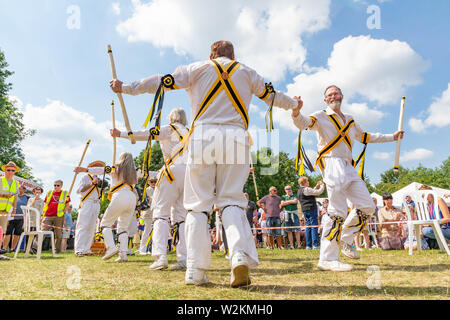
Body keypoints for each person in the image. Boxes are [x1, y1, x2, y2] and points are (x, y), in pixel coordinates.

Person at [110, 40, 299, 287]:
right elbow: (274, 96)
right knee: (231, 200)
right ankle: (239, 254)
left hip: (202, 137)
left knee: (197, 206)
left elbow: (159, 81)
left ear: (211, 54)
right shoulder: (247, 71)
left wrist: (126, 87)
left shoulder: (196, 68)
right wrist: (295, 105)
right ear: (234, 55)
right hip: (236, 137)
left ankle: (195, 269)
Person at [291, 85, 404, 271]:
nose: (333, 96)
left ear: (341, 96)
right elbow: (303, 123)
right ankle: (327, 258)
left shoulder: (350, 120)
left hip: (348, 165)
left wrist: (391, 137)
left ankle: (345, 239)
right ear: (325, 100)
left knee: (368, 205)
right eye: (329, 95)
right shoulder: (320, 115)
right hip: (331, 162)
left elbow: (366, 136)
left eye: (336, 93)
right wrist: (296, 111)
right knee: (337, 210)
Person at [111, 108, 189, 271]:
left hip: (171, 172)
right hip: (189, 173)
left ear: (172, 118)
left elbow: (147, 133)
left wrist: (122, 134)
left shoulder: (170, 129)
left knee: (160, 214)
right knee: (181, 216)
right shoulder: (190, 132)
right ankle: (183, 258)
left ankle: (160, 256)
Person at [74, 152, 137, 262]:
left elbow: (102, 170)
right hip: (132, 198)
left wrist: (84, 169)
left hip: (119, 196)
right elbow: (150, 174)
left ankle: (111, 247)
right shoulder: (134, 172)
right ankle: (123, 254)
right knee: (123, 227)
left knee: (105, 224)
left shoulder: (115, 168)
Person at [74, 160, 105, 257]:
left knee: (91, 227)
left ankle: (87, 249)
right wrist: (91, 184)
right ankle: (79, 249)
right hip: (87, 202)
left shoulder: (100, 180)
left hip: (96, 203)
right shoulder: (85, 177)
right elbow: (79, 190)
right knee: (83, 226)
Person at [41, 179, 71, 253]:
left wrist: (65, 211)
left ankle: (57, 250)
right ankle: (35, 248)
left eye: (58, 185)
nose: (56, 187)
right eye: (55, 185)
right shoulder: (49, 192)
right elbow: (45, 204)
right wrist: (42, 214)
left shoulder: (65, 193)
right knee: (42, 231)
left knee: (58, 235)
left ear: (61, 186)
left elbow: (67, 204)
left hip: (59, 216)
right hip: (48, 215)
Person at [297, 177, 324, 250]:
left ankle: (308, 245)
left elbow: (312, 191)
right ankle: (315, 244)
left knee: (308, 227)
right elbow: (319, 192)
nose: (308, 182)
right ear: (305, 182)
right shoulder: (306, 189)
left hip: (305, 210)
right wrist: (322, 185)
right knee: (314, 226)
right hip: (311, 209)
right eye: (307, 181)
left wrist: (316, 186)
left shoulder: (300, 190)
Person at [0, 161, 20, 253]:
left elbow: (15, 197)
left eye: (12, 170)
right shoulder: (0, 180)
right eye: (8, 170)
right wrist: (3, 195)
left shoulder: (16, 183)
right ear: (4, 170)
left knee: (2, 231)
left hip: (6, 210)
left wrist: (14, 209)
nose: (10, 172)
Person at [3, 185, 29, 252]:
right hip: (11, 217)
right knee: (7, 233)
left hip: (20, 218)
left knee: (17, 234)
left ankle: (13, 248)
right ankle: (4, 248)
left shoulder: (27, 197)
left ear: (24, 190)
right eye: (18, 189)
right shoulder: (13, 196)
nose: (19, 190)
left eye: (21, 189)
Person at [137, 173, 158, 255]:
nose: (153, 183)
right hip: (148, 212)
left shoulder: (158, 189)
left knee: (156, 231)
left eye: (155, 181)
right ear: (149, 182)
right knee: (147, 231)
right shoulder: (146, 190)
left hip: (156, 212)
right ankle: (142, 249)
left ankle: (153, 249)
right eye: (152, 182)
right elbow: (146, 201)